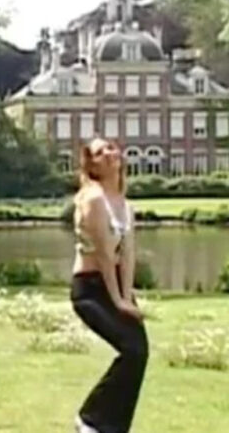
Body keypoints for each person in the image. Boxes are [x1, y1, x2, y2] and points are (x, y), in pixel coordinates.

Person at [69, 138, 147, 433]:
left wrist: (127, 296)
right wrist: (117, 302)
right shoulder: (92, 199)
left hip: (114, 287)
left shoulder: (125, 206)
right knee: (131, 350)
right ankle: (89, 420)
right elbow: (103, 255)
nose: (109, 154)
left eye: (111, 148)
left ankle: (113, 427)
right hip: (90, 289)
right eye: (100, 153)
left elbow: (127, 255)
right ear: (92, 165)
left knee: (138, 352)